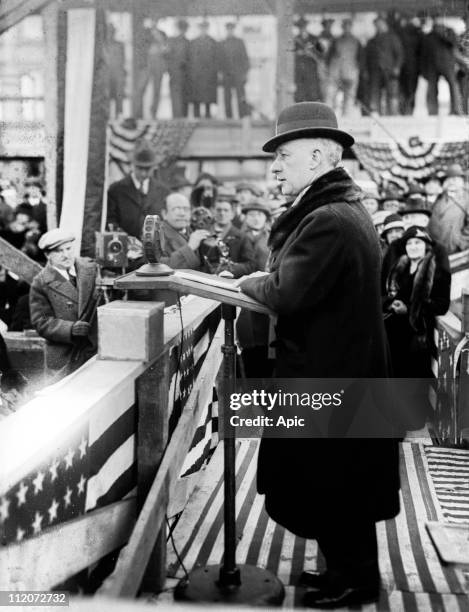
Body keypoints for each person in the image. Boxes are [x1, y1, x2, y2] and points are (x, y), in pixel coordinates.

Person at [239, 101, 400, 608]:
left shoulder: (328, 219)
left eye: (282, 156)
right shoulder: (335, 211)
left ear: (315, 157)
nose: (275, 167)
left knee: (338, 486)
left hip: (334, 376)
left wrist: (249, 280)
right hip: (339, 370)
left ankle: (356, 583)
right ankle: (344, 573)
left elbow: (286, 292)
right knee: (339, 484)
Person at [383, 226, 450, 425]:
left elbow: (441, 305)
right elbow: (386, 293)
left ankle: (414, 418)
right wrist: (390, 304)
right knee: (397, 376)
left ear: (427, 246)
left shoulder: (436, 272)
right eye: (409, 243)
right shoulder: (399, 266)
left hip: (416, 333)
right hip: (395, 330)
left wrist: (411, 307)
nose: (413, 246)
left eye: (418, 242)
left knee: (414, 377)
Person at [29, 229, 99, 377]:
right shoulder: (41, 282)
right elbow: (41, 322)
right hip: (64, 357)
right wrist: (69, 329)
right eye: (59, 251)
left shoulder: (91, 268)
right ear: (48, 255)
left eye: (68, 249)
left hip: (94, 351)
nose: (66, 255)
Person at [107, 143, 170, 240]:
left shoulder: (163, 191)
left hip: (156, 248)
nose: (143, 173)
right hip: (125, 247)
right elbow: (110, 221)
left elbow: (167, 221)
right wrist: (125, 239)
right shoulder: (116, 190)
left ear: (154, 167)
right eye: (139, 168)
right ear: (132, 165)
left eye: (147, 169)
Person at [365, 17, 403, 115]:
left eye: (380, 24)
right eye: (376, 25)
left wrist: (397, 67)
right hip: (375, 71)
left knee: (392, 93)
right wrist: (366, 70)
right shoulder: (372, 41)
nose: (378, 27)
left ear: (384, 24)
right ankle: (376, 113)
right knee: (375, 92)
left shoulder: (393, 38)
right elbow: (366, 57)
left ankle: (392, 114)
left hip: (390, 70)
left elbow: (400, 54)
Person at [326, 19, 362, 116]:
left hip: (350, 73)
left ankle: (347, 117)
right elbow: (329, 57)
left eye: (348, 26)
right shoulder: (336, 41)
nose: (346, 28)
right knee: (331, 94)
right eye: (345, 26)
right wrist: (329, 69)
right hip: (336, 72)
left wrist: (357, 69)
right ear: (342, 28)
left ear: (351, 28)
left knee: (349, 97)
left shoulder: (356, 41)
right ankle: (329, 116)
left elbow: (361, 57)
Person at [188, 21, 219, 118]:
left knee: (207, 97)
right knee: (196, 96)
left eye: (205, 28)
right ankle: (196, 115)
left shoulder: (213, 42)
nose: (203, 30)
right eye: (202, 28)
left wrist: (214, 72)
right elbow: (190, 59)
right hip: (196, 74)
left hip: (208, 74)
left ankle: (207, 114)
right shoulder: (193, 42)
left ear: (207, 29)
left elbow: (216, 59)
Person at [220, 22, 250, 118]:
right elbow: (219, 59)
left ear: (234, 30)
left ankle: (243, 116)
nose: (230, 31)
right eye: (228, 29)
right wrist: (220, 72)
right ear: (226, 30)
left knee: (240, 96)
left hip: (238, 73)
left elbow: (245, 58)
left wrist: (245, 73)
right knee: (227, 97)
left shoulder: (239, 42)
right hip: (226, 74)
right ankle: (229, 117)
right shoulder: (222, 43)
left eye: (231, 29)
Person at [293, 17, 322, 102]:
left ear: (306, 26)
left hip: (311, 70)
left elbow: (320, 54)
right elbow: (290, 54)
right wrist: (299, 53)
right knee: (299, 95)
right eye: (300, 26)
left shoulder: (314, 39)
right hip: (299, 71)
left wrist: (311, 53)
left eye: (303, 25)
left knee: (313, 94)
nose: (302, 27)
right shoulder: (294, 40)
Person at [168, 19, 191, 118]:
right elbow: (168, 56)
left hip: (185, 73)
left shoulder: (188, 42)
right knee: (176, 96)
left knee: (183, 96)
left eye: (184, 29)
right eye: (181, 28)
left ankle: (182, 117)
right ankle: (177, 117)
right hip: (176, 73)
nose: (182, 31)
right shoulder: (172, 41)